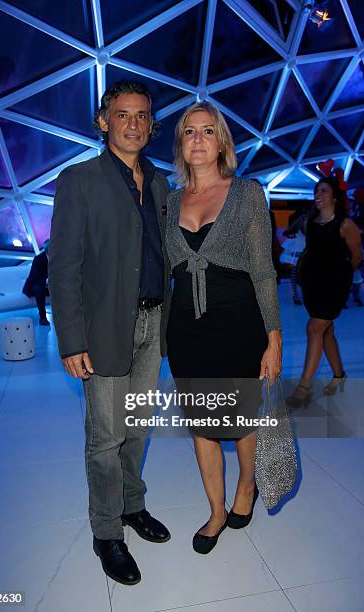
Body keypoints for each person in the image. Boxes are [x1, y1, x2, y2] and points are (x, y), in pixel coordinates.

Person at [48, 80, 171, 586]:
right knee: (104, 437)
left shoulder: (160, 183)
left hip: (153, 324)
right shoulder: (79, 180)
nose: (134, 124)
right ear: (103, 121)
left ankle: (131, 506)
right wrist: (72, 340)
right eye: (123, 115)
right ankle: (106, 532)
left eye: (142, 116)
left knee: (137, 427)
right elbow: (64, 266)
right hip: (103, 331)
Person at [165, 101, 282, 554]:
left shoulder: (247, 193)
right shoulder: (170, 201)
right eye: (189, 132)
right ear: (180, 144)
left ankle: (246, 488)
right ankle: (215, 511)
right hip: (187, 332)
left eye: (207, 131)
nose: (197, 139)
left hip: (239, 326)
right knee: (202, 425)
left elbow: (264, 271)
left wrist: (273, 336)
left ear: (222, 142)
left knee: (242, 420)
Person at [286, 176, 362, 406]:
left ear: (335, 197)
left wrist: (343, 279)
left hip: (334, 286)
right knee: (326, 332)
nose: (318, 195)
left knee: (313, 329)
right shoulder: (311, 221)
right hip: (312, 286)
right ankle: (339, 376)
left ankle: (304, 387)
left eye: (323, 191)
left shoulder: (345, 225)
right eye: (316, 191)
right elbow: (307, 248)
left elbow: (357, 255)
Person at [22, 239, 50, 325]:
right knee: (39, 288)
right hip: (33, 286)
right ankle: (43, 317)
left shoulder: (58, 259)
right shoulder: (38, 259)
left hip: (49, 286)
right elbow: (35, 277)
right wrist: (48, 281)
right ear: (47, 249)